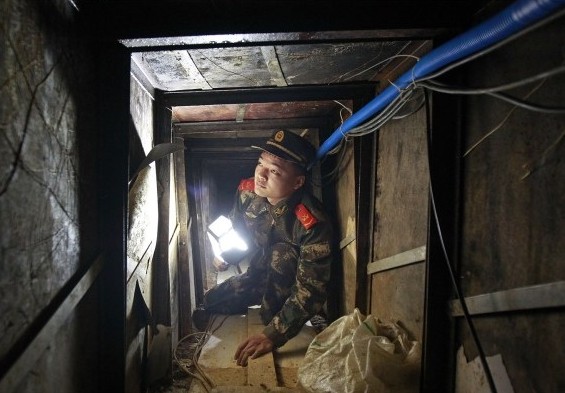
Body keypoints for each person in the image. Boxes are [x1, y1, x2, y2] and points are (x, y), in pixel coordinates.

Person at [193, 130, 334, 367]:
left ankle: (274, 314)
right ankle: (257, 293)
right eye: (261, 163)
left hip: (289, 281)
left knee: (270, 311)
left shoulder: (311, 223)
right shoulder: (247, 193)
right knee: (212, 302)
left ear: (297, 182)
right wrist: (226, 256)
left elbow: (311, 289)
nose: (261, 174)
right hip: (259, 268)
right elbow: (236, 231)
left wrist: (273, 335)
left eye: (275, 171)